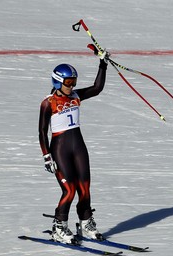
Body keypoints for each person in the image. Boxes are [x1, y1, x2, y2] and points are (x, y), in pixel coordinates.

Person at [38, 50, 109, 244]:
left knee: (84, 187)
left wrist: (103, 64)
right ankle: (59, 226)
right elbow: (42, 132)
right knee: (69, 190)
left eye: (74, 82)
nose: (72, 86)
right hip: (60, 149)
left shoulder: (76, 96)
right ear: (57, 81)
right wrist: (46, 156)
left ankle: (86, 222)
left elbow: (97, 88)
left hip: (78, 146)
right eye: (68, 82)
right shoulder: (48, 102)